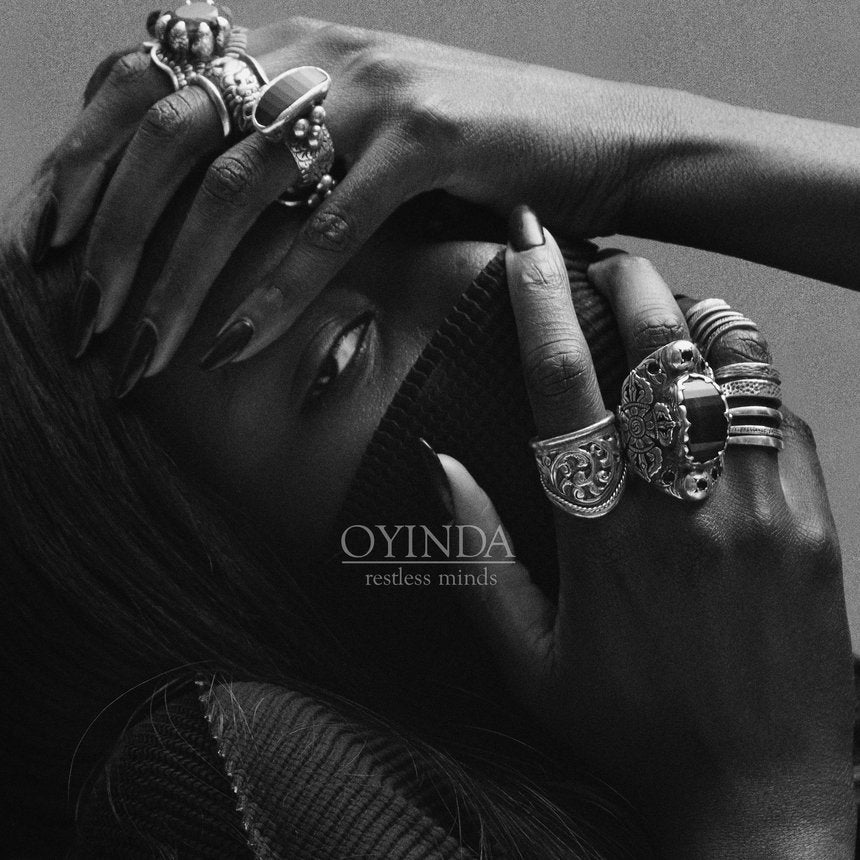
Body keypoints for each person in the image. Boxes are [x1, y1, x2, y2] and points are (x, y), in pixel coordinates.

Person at [3, 10, 858, 857]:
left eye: (433, 212)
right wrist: (768, 798)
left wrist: (636, 152)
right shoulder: (228, 785)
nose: (497, 266)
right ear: (213, 578)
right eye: (339, 356)